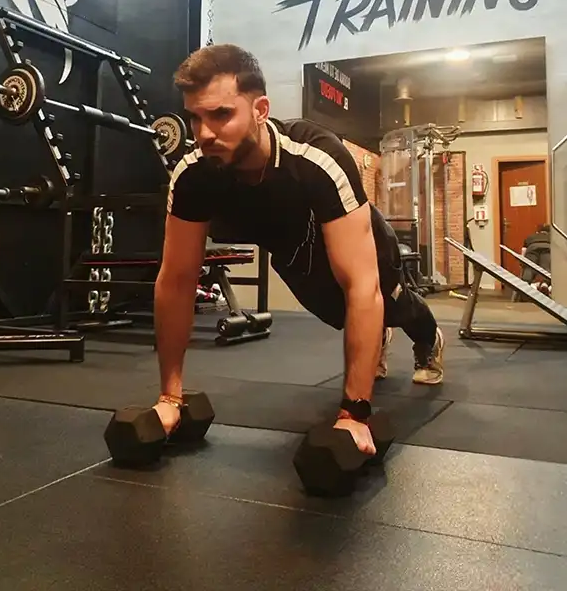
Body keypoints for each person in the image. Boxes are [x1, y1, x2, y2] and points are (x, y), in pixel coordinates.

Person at [153, 44, 445, 456]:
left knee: (389, 301)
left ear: (260, 110)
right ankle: (375, 335)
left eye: (221, 115)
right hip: (297, 252)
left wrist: (354, 413)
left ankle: (428, 340)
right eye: (194, 118)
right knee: (338, 313)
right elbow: (176, 282)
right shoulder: (194, 175)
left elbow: (363, 284)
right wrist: (170, 397)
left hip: (359, 238)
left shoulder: (315, 157)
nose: (204, 134)